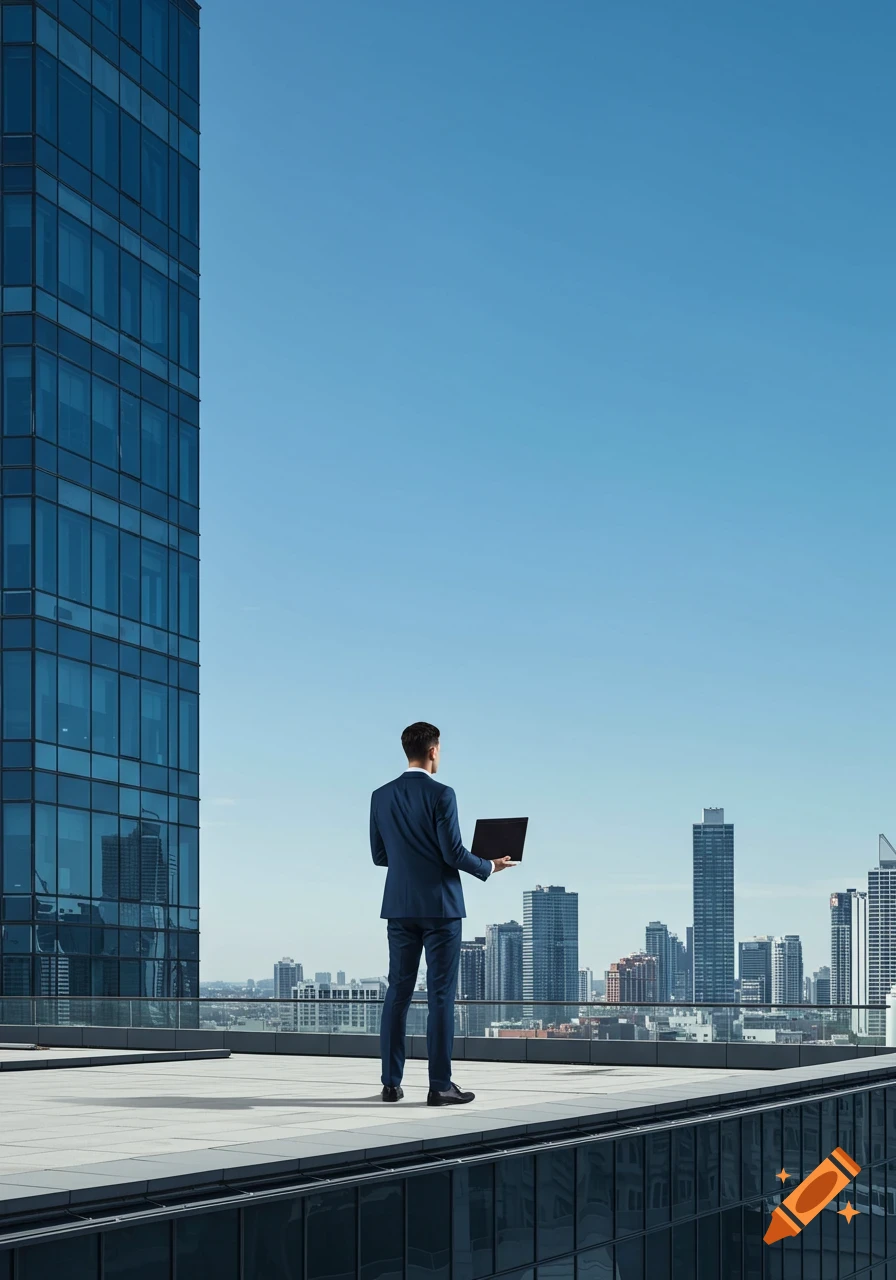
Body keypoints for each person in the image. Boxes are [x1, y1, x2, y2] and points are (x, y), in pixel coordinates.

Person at [370, 721, 515, 1105]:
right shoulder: (442, 794)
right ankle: (440, 1086)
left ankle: (390, 1084)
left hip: (399, 906)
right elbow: (453, 854)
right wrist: (489, 865)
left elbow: (379, 856)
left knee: (397, 994)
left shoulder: (380, 796)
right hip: (441, 908)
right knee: (440, 998)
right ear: (434, 750)